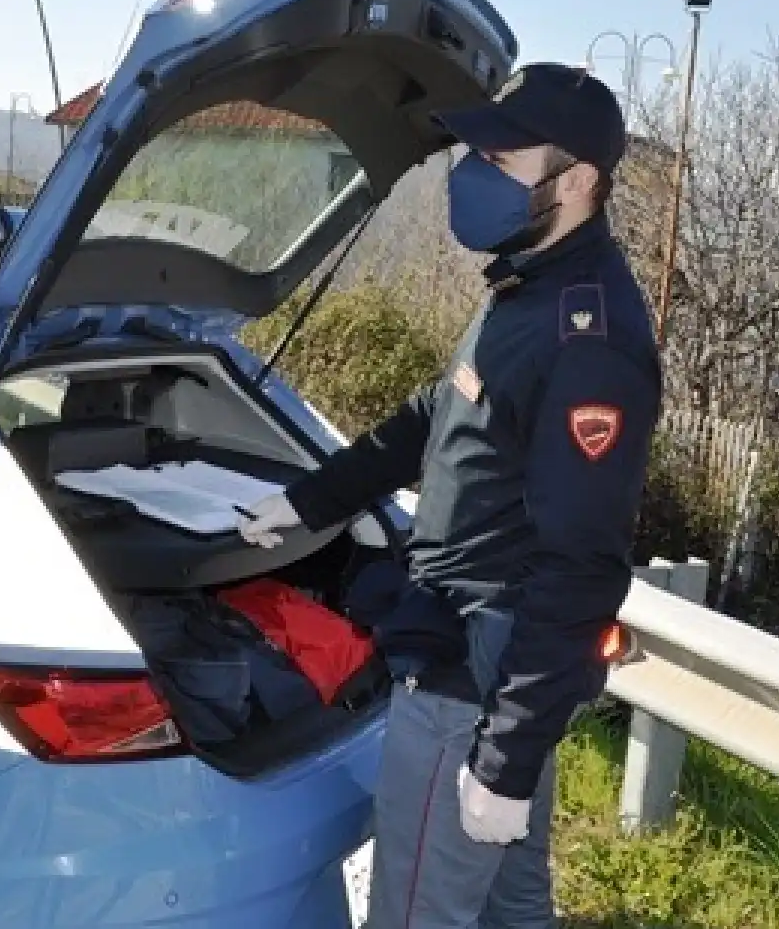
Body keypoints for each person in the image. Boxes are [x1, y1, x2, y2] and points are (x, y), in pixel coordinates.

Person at [238, 62, 663, 928]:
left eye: (503, 163)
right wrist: (312, 500)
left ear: (576, 182)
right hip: (491, 670)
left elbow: (582, 564)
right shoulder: (526, 288)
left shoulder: (589, 340)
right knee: (512, 912)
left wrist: (505, 758)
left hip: (476, 686)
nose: (472, 174)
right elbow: (440, 412)